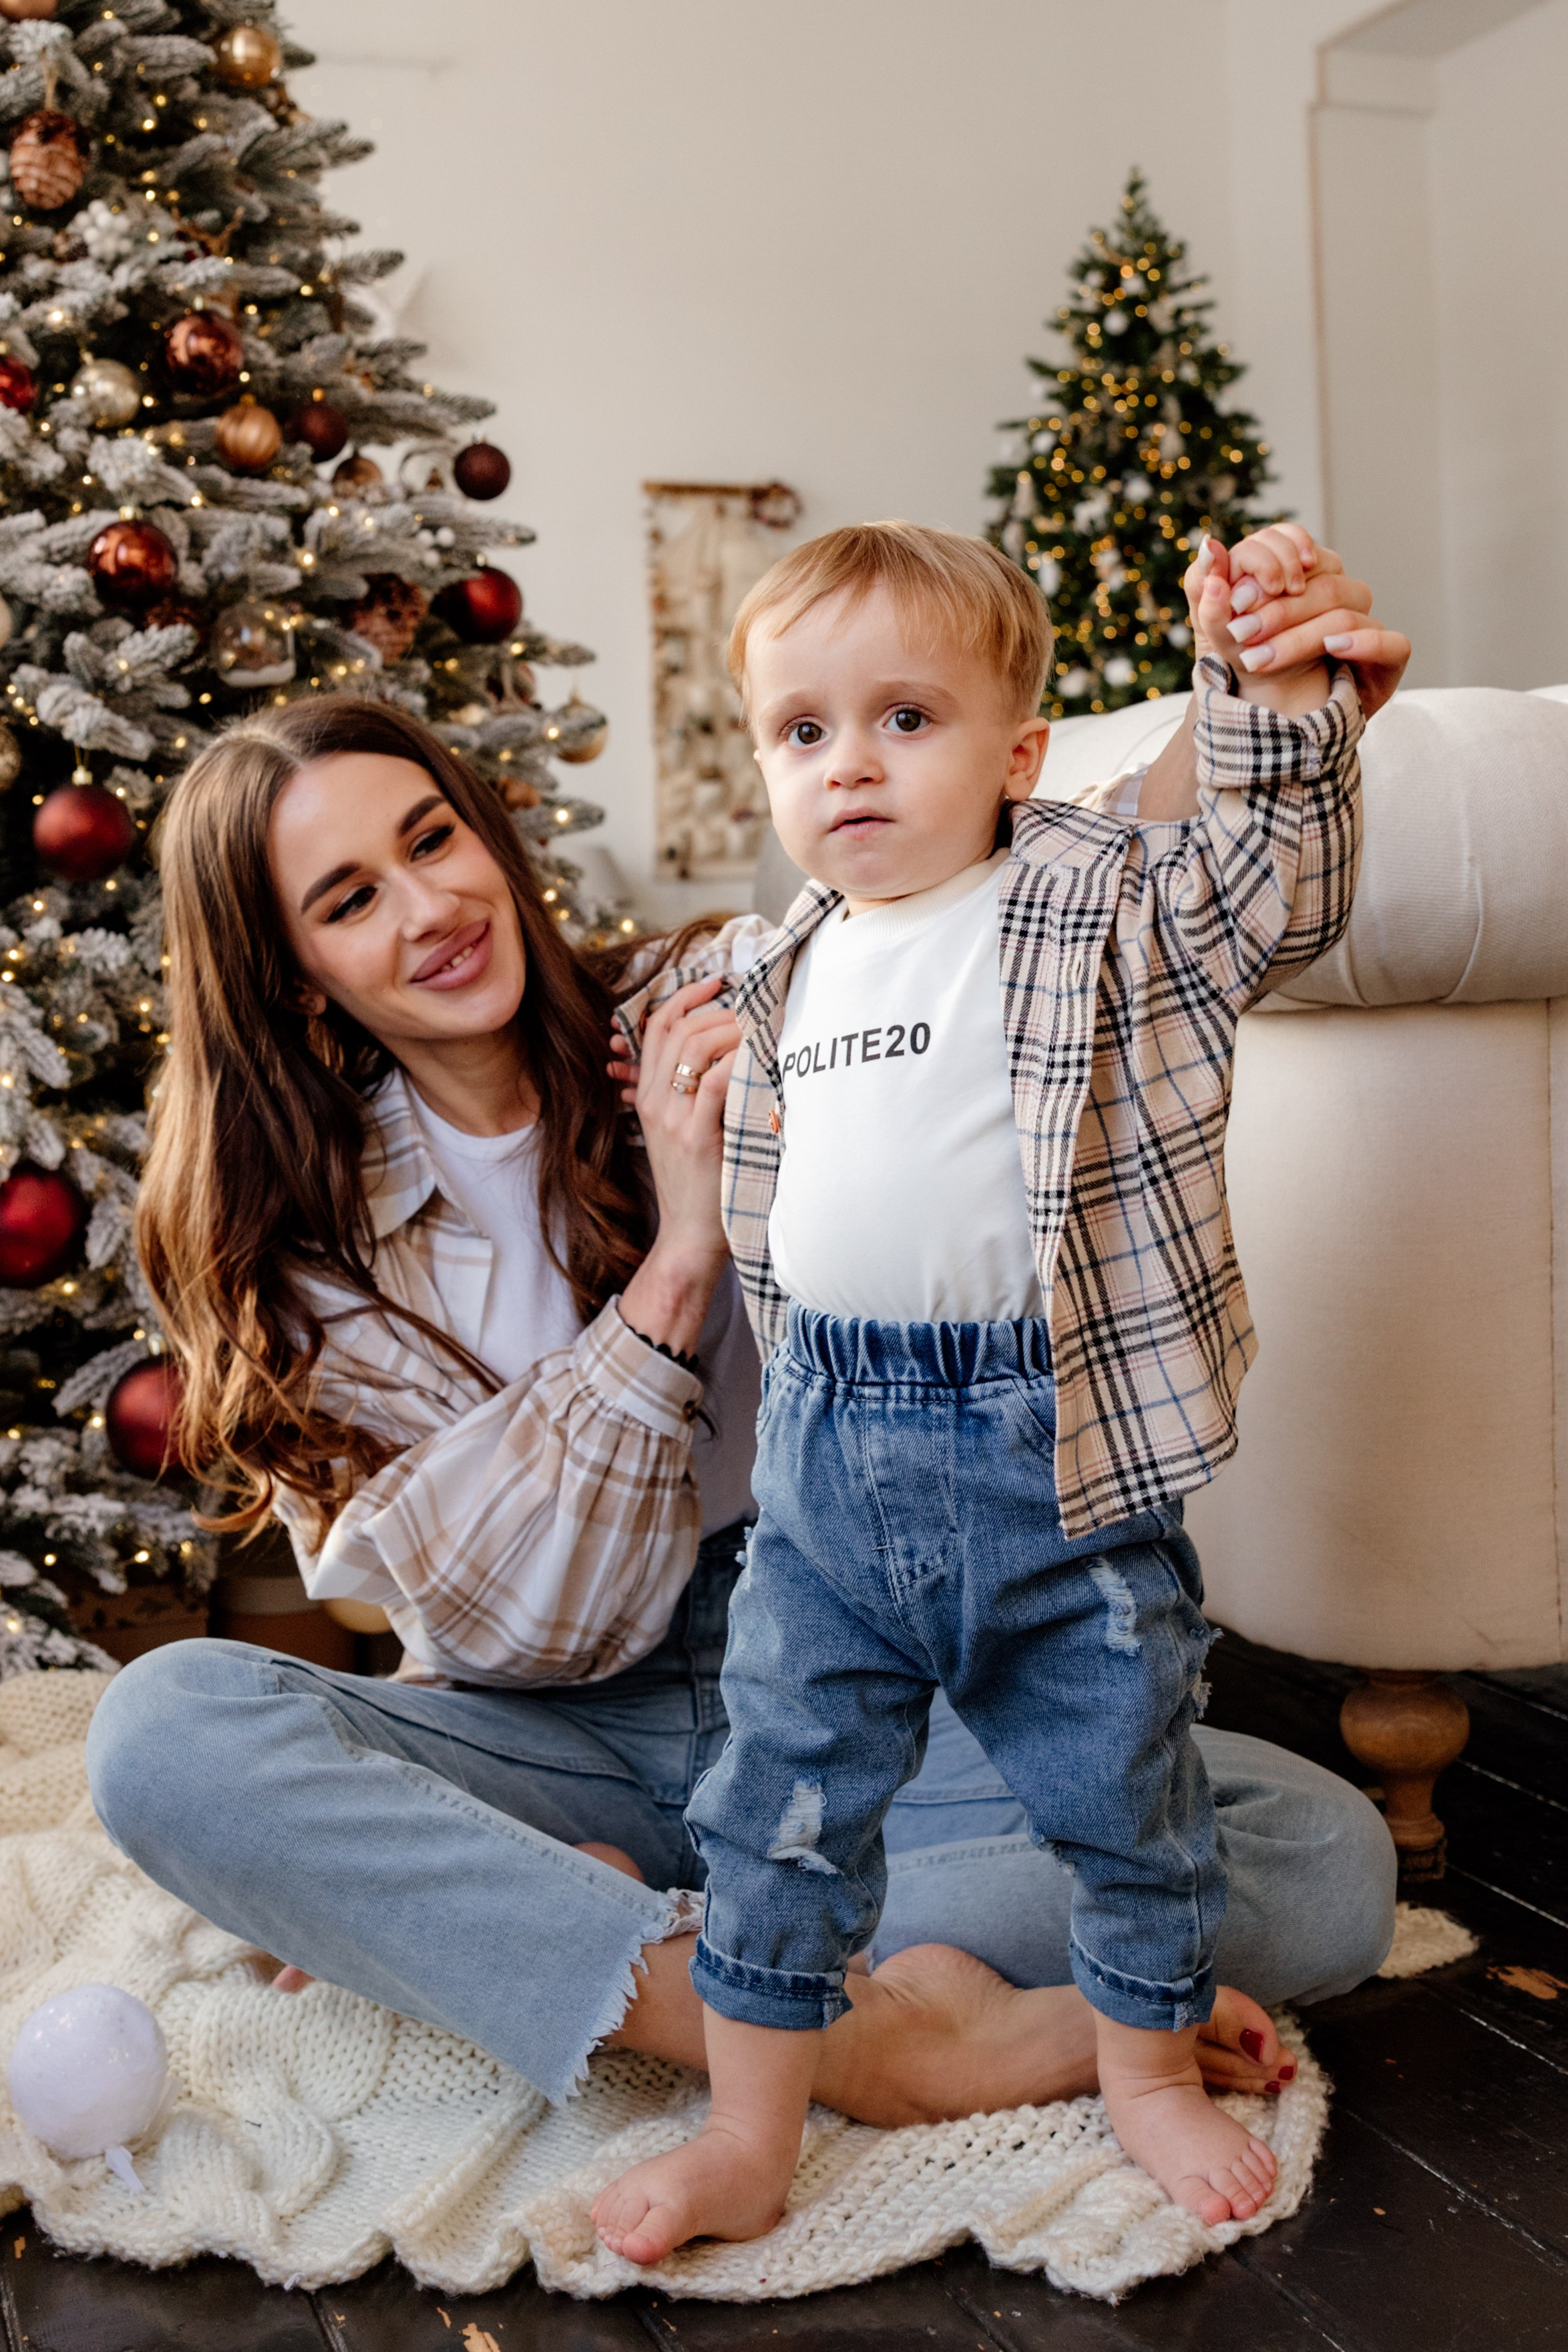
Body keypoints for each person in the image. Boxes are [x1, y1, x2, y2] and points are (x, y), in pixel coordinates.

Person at [83, 687, 1396, 2150]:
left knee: (1321, 1863)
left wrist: (1256, 705)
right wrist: (682, 1254)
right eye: (349, 899)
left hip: (848, 1660)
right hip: (551, 1720)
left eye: (432, 838)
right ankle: (854, 2040)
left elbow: (1009, 900)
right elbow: (533, 1630)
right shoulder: (300, 1238)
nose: (431, 906)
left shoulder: (713, 998)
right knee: (163, 1736)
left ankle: (581, 1929)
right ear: (295, 977)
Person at [590, 520, 1412, 2264]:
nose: (849, 764)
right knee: (776, 1815)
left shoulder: (1080, 906)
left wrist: (1268, 703)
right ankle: (748, 2128)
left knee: (1128, 1795)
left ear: (1016, 755)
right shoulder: (776, 964)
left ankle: (1143, 2075)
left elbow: (1259, 882)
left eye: (904, 718)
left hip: (1047, 1452)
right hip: (826, 1465)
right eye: (802, 730)